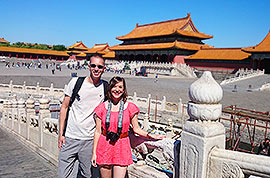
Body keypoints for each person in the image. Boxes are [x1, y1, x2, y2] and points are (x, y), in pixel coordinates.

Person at [91, 76, 165, 178]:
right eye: (114, 86)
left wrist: (150, 135)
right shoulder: (101, 108)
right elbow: (98, 132)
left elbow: (136, 129)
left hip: (122, 145)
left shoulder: (130, 107)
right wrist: (94, 153)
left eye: (120, 87)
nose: (117, 89)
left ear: (124, 90)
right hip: (104, 145)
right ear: (110, 88)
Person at [58, 55, 106, 178]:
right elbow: (64, 107)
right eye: (93, 65)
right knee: (63, 175)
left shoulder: (105, 87)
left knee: (88, 175)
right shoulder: (76, 82)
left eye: (99, 66)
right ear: (89, 67)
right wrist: (60, 134)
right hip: (70, 137)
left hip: (90, 141)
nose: (96, 69)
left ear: (104, 69)